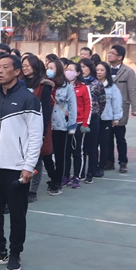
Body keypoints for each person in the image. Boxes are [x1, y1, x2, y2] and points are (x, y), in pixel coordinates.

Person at [0, 55, 43, 270]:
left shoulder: (29, 99)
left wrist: (28, 165)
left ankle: (15, 253)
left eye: (5, 67)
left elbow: (35, 136)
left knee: (17, 214)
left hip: (16, 167)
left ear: (17, 71)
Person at [21, 55, 55, 202]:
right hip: (21, 125)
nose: (24, 68)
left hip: (37, 125)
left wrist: (42, 132)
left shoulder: (43, 85)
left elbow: (46, 110)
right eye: (23, 65)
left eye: (27, 65)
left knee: (36, 159)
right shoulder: (19, 83)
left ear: (35, 66)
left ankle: (33, 190)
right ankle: (22, 185)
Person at [106, 44, 136, 173]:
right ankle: (109, 161)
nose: (109, 55)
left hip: (120, 108)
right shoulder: (105, 69)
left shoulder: (128, 71)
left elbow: (132, 90)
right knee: (107, 137)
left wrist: (135, 107)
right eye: (109, 53)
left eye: (112, 53)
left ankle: (123, 162)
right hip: (106, 109)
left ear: (120, 57)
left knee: (120, 137)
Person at [46, 58, 76, 196]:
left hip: (60, 124)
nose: (49, 70)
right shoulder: (45, 84)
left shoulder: (66, 86)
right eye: (48, 67)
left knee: (59, 154)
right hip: (46, 124)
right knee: (46, 154)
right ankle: (53, 176)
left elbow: (72, 106)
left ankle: (57, 182)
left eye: (51, 68)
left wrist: (72, 125)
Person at [63, 62, 91, 189]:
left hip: (78, 123)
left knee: (78, 151)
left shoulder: (84, 87)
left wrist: (85, 123)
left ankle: (77, 176)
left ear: (78, 73)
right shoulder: (62, 86)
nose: (68, 72)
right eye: (67, 69)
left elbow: (88, 106)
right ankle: (66, 176)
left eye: (71, 70)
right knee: (66, 151)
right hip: (65, 123)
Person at [78, 58, 106, 183]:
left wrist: (96, 113)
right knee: (81, 148)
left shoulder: (97, 84)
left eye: (84, 67)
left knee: (92, 146)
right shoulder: (78, 84)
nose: (82, 69)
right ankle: (81, 172)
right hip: (80, 118)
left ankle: (91, 171)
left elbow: (102, 101)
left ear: (90, 68)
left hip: (93, 118)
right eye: (80, 67)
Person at [96, 61, 123, 178]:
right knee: (93, 144)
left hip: (106, 118)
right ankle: (93, 165)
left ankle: (102, 165)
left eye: (102, 70)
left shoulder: (112, 87)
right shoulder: (91, 85)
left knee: (104, 143)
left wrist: (116, 118)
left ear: (107, 72)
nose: (99, 72)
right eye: (97, 70)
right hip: (94, 118)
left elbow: (116, 103)